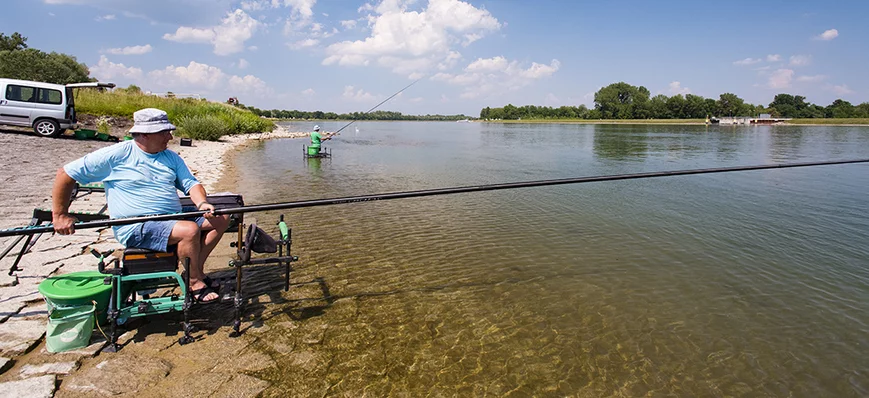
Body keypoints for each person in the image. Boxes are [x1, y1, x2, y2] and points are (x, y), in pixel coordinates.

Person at [51, 108, 228, 303]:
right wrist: (60, 215)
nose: (170, 136)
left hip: (170, 216)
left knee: (221, 218)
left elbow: (191, 184)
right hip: (136, 225)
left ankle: (196, 272)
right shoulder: (116, 155)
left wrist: (202, 203)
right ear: (144, 134)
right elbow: (65, 174)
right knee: (189, 230)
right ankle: (194, 282)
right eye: (164, 132)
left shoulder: (170, 157)